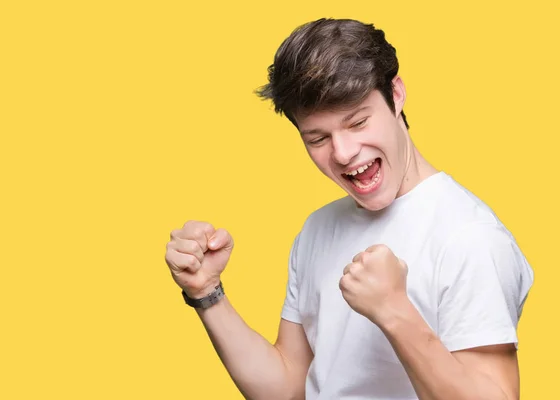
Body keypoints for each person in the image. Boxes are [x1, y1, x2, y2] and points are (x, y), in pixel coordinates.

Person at [164, 18, 534, 400]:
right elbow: (290, 387)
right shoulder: (319, 227)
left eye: (357, 122)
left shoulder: (470, 236)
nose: (342, 153)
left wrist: (395, 312)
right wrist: (207, 293)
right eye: (318, 138)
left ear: (396, 93)